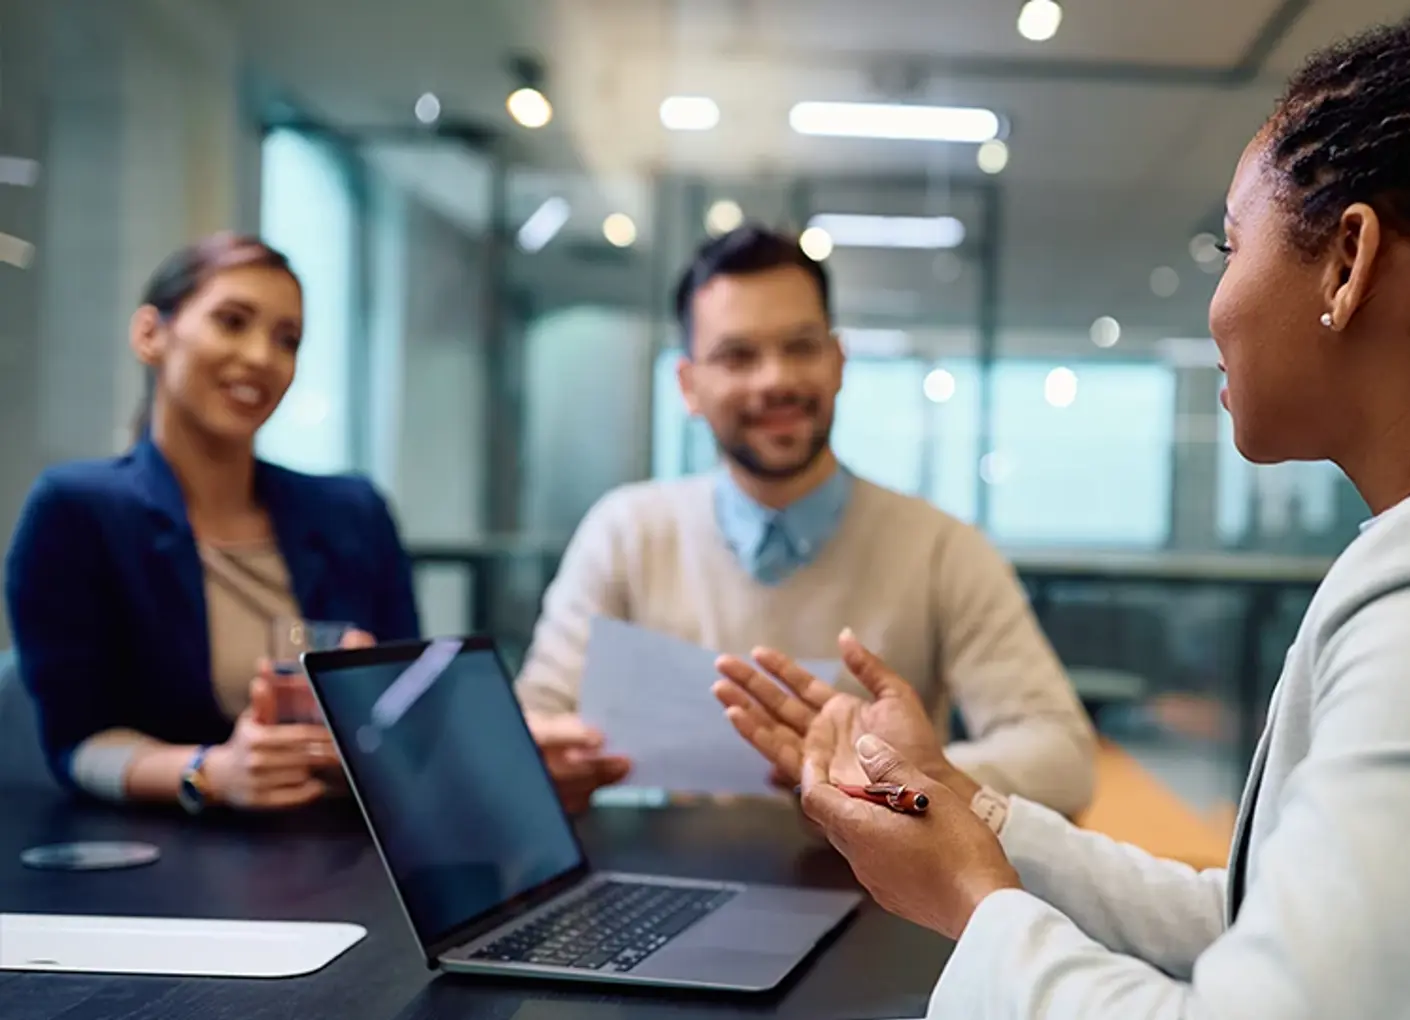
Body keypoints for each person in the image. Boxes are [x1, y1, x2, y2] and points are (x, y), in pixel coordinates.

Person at [714, 17, 1410, 1019]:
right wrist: (949, 799)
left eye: (1230, 247)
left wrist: (970, 900)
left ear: (1347, 261)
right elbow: (1252, 921)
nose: (1216, 304)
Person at [515, 225, 1096, 816]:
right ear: (689, 386)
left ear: (838, 362)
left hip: (879, 874)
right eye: (738, 356)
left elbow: (1062, 759)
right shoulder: (626, 534)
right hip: (665, 863)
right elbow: (533, 722)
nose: (776, 380)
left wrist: (893, 779)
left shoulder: (941, 549)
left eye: (801, 347)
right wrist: (541, 765)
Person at [4, 233, 421, 812]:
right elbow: (77, 744)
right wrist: (212, 773)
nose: (261, 357)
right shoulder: (77, 511)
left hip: (340, 836)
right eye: (232, 322)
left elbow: (413, 716)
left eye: (287, 339)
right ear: (151, 334)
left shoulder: (355, 513)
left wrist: (367, 703)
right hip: (161, 845)